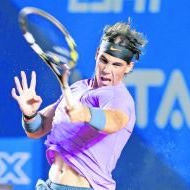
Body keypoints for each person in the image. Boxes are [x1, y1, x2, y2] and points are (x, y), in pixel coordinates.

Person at [12, 21, 147, 190]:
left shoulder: (119, 97)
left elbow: (114, 121)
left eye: (117, 65)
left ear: (128, 67)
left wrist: (85, 114)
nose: (107, 70)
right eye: (104, 60)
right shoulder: (78, 88)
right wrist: (30, 114)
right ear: (97, 54)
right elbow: (37, 129)